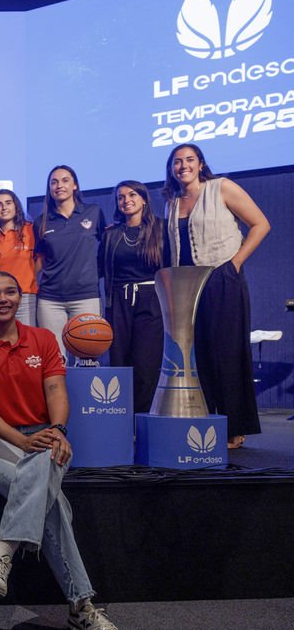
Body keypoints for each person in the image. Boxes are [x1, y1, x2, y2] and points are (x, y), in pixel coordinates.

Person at [0, 272, 117, 630]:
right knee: (53, 503)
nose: (2, 299)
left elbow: (57, 390)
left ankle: (3, 551)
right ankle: (81, 608)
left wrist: (58, 430)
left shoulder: (42, 339)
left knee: (46, 476)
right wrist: (22, 442)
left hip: (44, 435)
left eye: (9, 292)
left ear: (20, 297)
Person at [163, 144, 270, 448]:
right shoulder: (172, 202)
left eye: (189, 160)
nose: (183, 166)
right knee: (198, 356)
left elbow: (261, 224)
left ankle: (235, 427)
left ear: (200, 164)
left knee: (227, 353)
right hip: (187, 285)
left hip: (221, 277)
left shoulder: (221, 187)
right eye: (177, 161)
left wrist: (235, 263)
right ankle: (209, 422)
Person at [98, 181, 164, 413]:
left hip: (151, 300)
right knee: (120, 362)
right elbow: (99, 268)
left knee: (146, 364)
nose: (126, 200)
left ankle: (142, 417)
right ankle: (122, 418)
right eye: (121, 197)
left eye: (132, 195)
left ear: (144, 199)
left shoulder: (161, 228)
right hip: (118, 301)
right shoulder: (111, 234)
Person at [34, 166, 105, 359]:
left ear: (75, 185)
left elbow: (108, 247)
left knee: (88, 359)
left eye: (65, 180)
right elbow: (39, 260)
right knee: (55, 359)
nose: (59, 186)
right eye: (54, 182)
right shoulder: (41, 222)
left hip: (86, 297)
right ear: (49, 188)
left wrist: (93, 273)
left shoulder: (93, 212)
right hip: (50, 300)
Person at [0, 189, 37, 326]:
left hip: (26, 296)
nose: (4, 208)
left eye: (8, 203)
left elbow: (40, 262)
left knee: (26, 337)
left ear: (16, 206)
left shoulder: (31, 230)